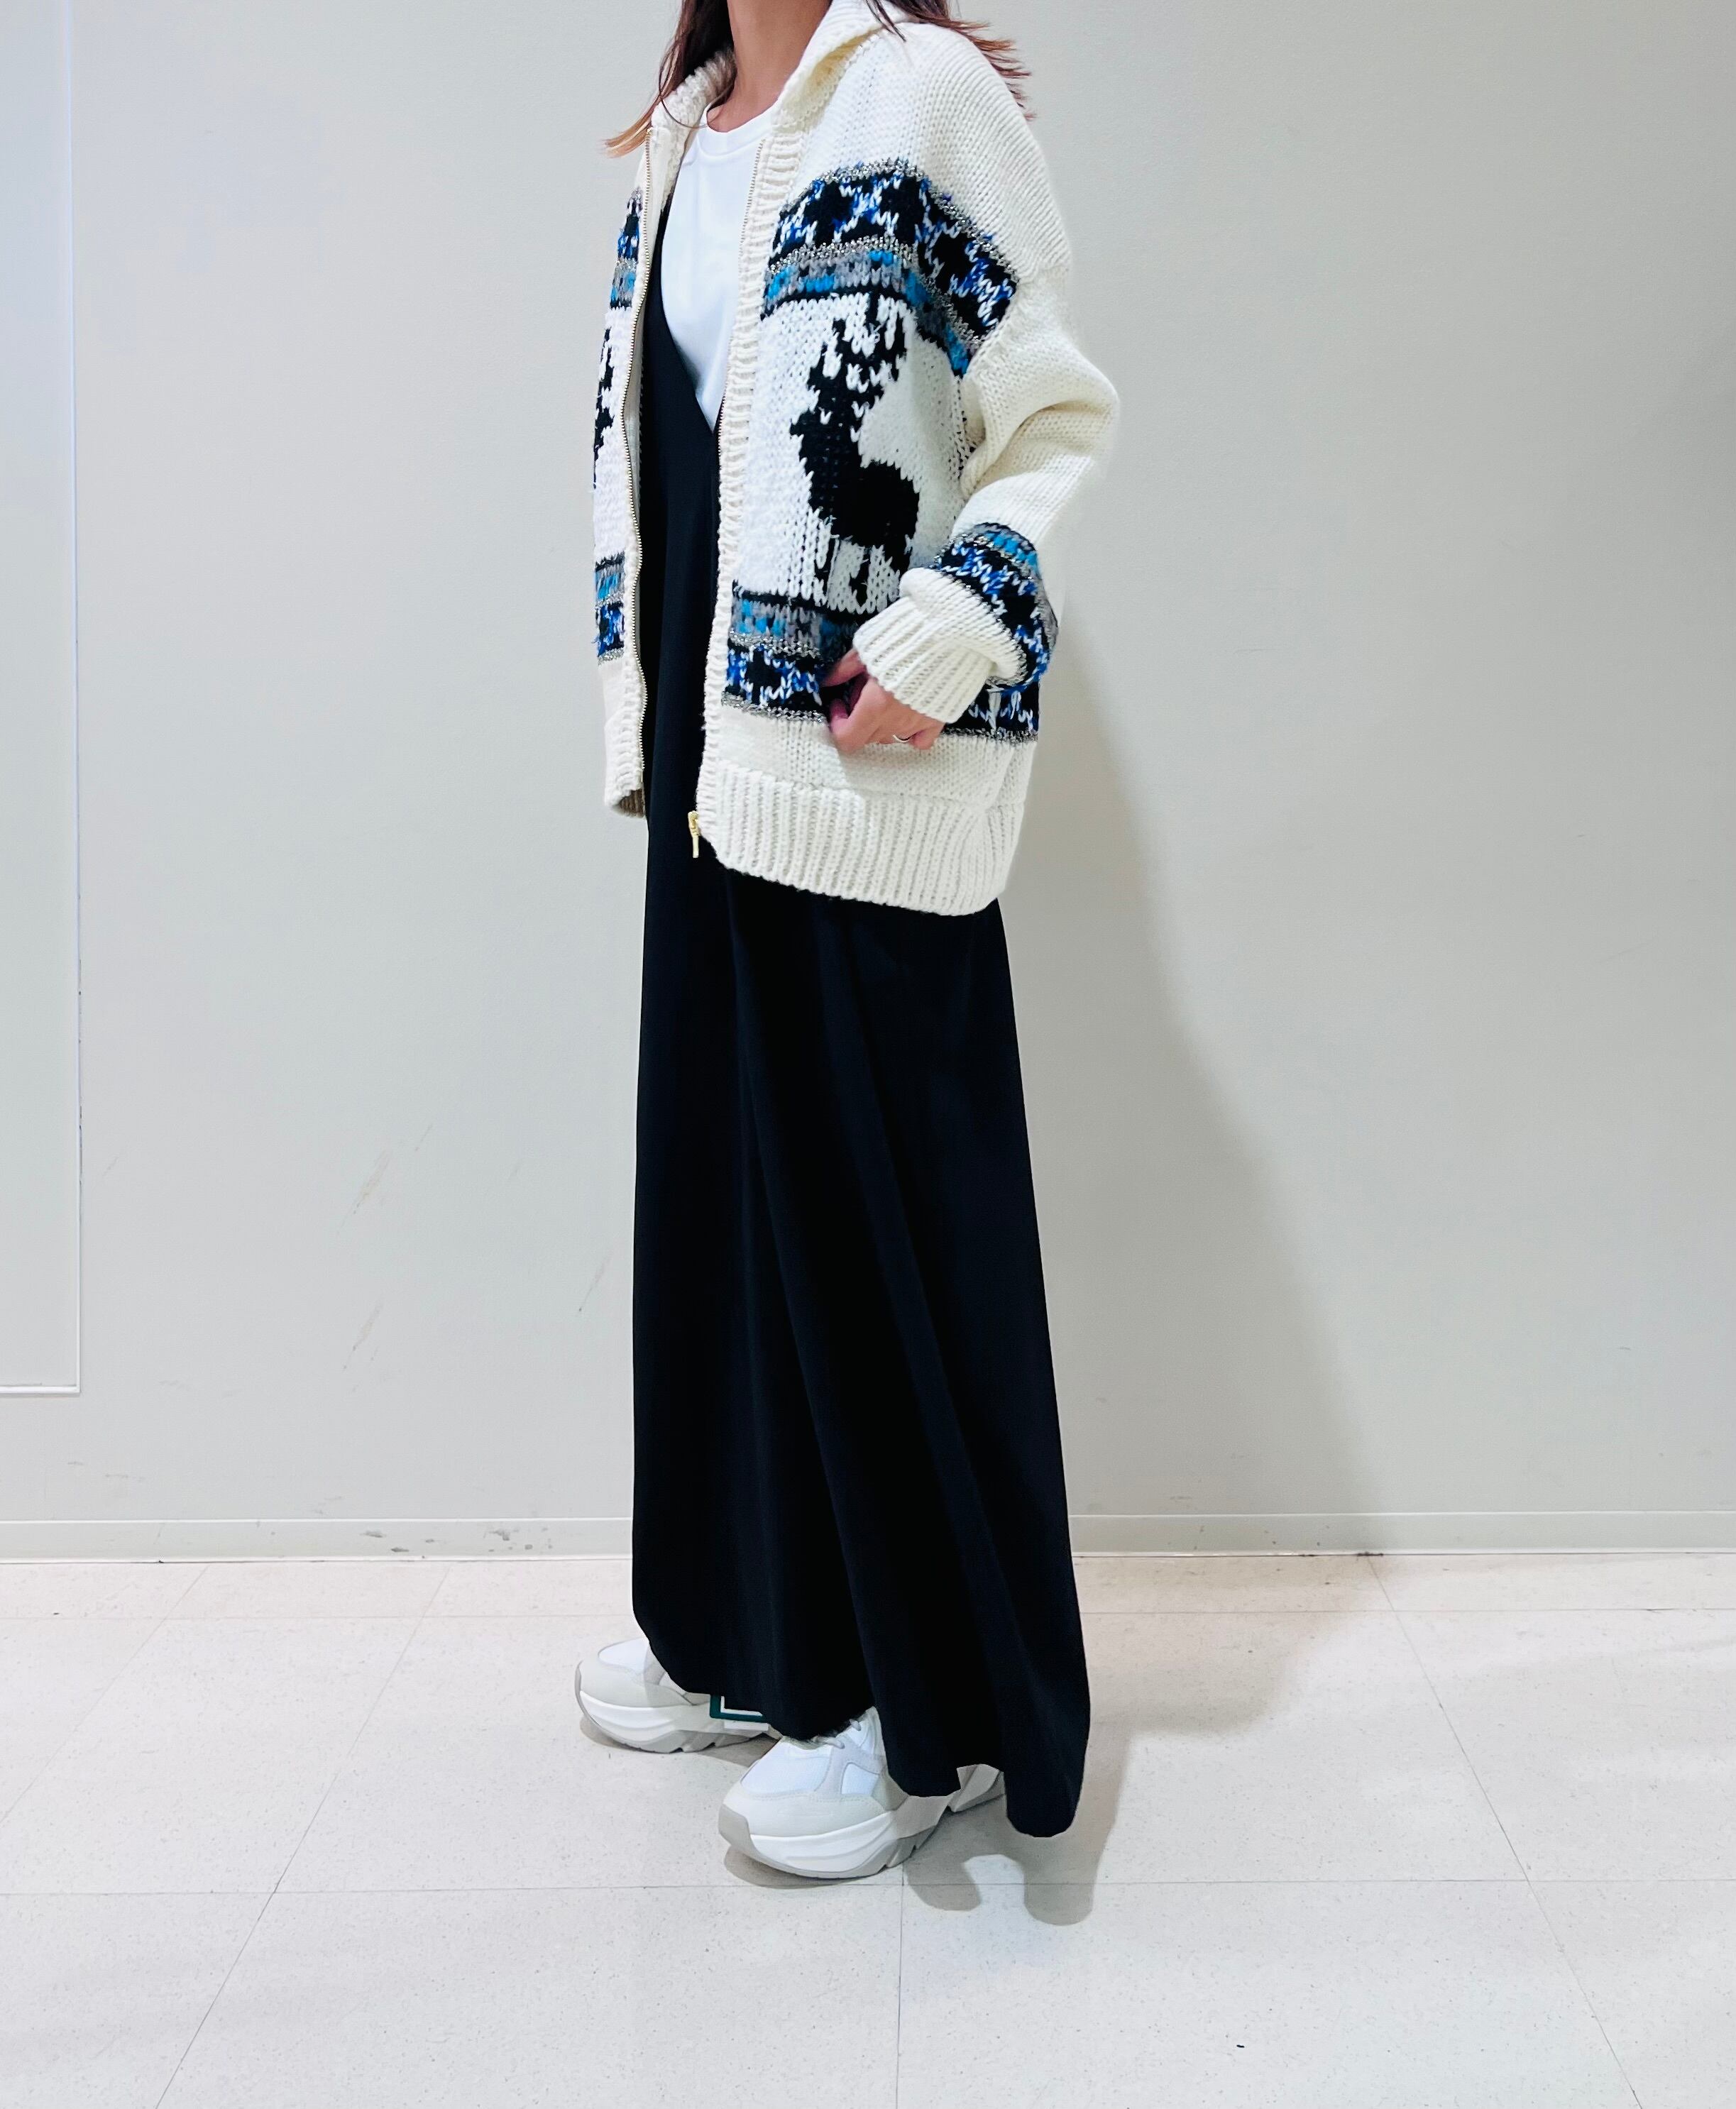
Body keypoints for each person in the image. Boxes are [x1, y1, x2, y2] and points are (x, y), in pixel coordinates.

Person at [576, 0, 1116, 1880]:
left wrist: (953, 629)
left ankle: (930, 1717)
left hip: (865, 766)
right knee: (728, 1213)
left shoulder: (920, 99)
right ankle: (754, 1638)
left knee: (887, 1236)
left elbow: (1053, 417)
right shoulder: (682, 134)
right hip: (708, 765)